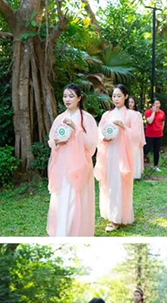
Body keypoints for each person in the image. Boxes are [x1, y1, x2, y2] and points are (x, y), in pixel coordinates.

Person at [46, 84, 98, 237]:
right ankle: (62, 232)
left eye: (71, 96)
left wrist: (76, 130)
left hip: (80, 166)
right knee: (62, 198)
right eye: (65, 96)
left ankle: (77, 232)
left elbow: (91, 144)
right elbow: (51, 139)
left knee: (77, 199)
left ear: (79, 98)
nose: (67, 99)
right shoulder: (60, 118)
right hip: (62, 164)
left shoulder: (86, 119)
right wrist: (56, 142)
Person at [94, 84, 143, 232]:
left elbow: (137, 137)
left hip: (122, 155)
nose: (116, 99)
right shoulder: (106, 115)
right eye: (114, 96)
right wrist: (104, 137)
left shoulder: (133, 115)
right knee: (108, 183)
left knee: (119, 183)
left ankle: (117, 218)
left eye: (119, 96)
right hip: (108, 153)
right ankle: (110, 214)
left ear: (126, 97)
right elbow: (99, 132)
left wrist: (124, 128)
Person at [143, 98, 165, 171]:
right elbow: (149, 121)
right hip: (149, 135)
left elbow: (163, 121)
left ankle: (156, 165)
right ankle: (141, 162)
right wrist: (154, 112)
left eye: (159, 103)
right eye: (156, 103)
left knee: (156, 150)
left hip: (158, 135)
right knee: (147, 149)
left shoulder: (162, 112)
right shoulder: (148, 112)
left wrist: (161, 129)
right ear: (152, 104)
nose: (158, 105)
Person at [127, 97, 146, 180]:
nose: (130, 103)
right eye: (129, 102)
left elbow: (140, 127)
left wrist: (140, 137)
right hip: (126, 137)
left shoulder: (138, 114)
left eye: (132, 102)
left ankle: (135, 174)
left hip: (136, 137)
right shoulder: (124, 113)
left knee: (136, 155)